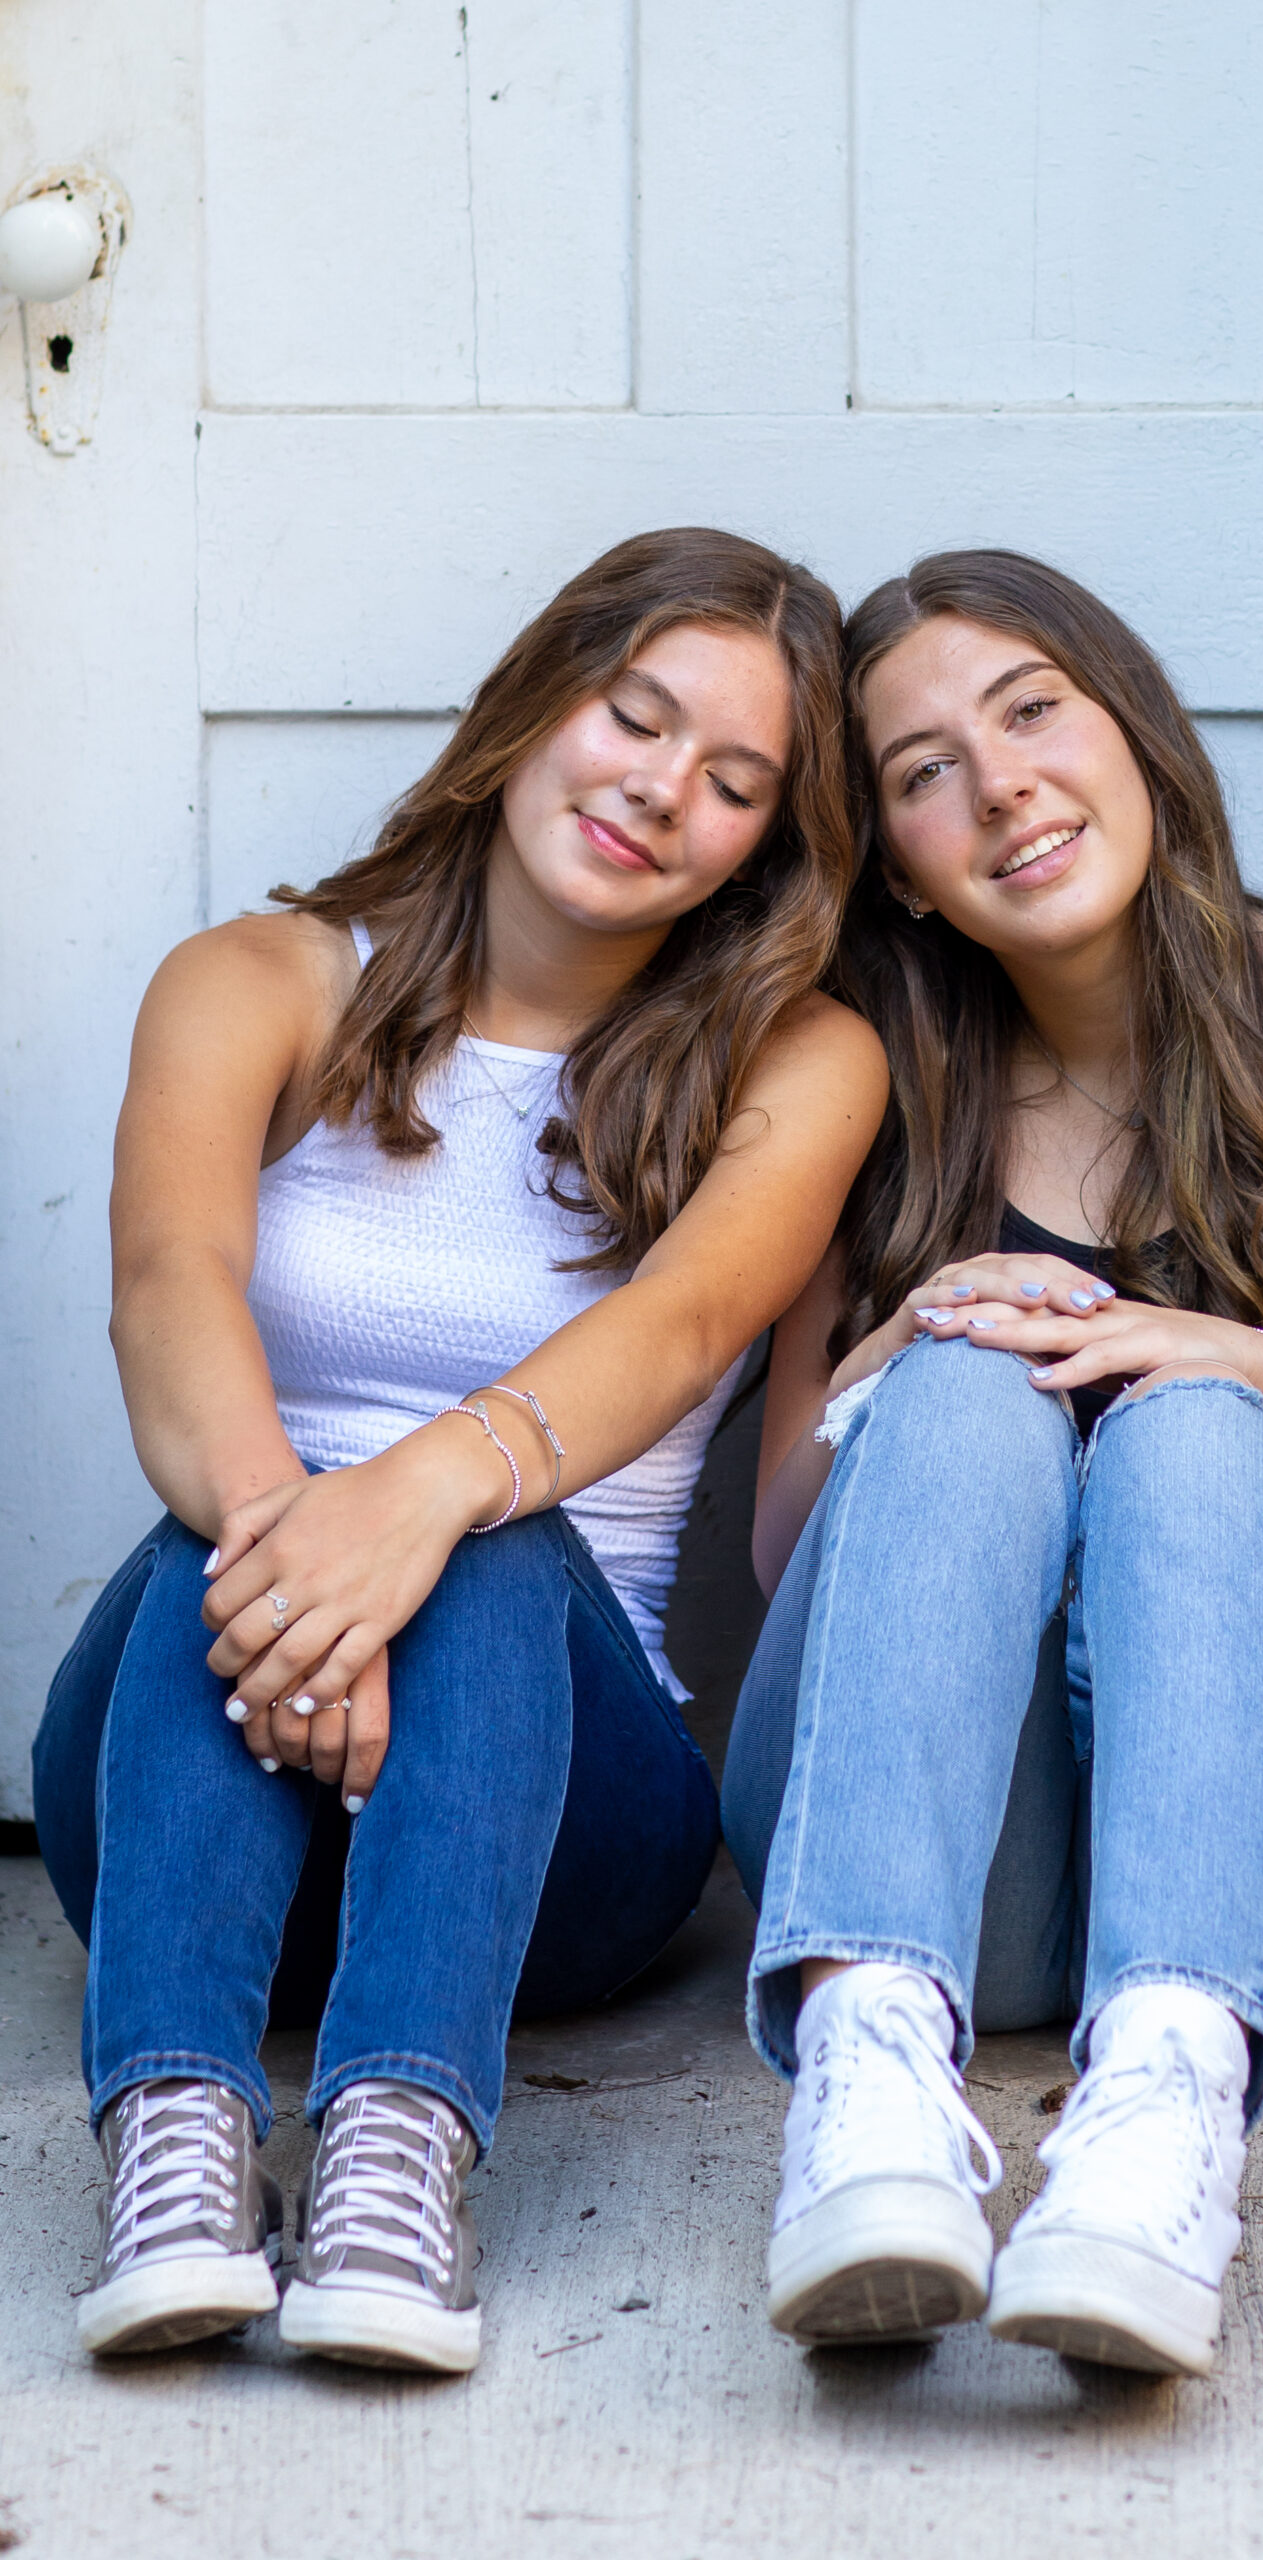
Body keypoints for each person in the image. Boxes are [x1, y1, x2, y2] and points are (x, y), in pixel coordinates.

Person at [33, 528, 888, 2375]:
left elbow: (670, 1337)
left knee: (493, 1521)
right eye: (635, 716)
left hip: (558, 1814)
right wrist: (301, 1552)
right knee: (226, 1520)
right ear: (533, 705)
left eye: (733, 781)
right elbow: (168, 1285)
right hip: (203, 1773)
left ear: (770, 843)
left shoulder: (799, 1060)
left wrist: (407, 1508)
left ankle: (394, 2149)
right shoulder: (254, 979)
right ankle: (175, 2139)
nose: (662, 791)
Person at [721, 550, 1263, 2377]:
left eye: (1029, 712)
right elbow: (784, 1558)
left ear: (1134, 732)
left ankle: (1159, 2121)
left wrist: (1240, 1364)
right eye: (920, 771)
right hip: (935, 1876)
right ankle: (863, 2090)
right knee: (961, 1384)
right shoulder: (870, 1075)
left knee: (1190, 1428)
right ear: (897, 872)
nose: (996, 785)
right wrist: (911, 1335)